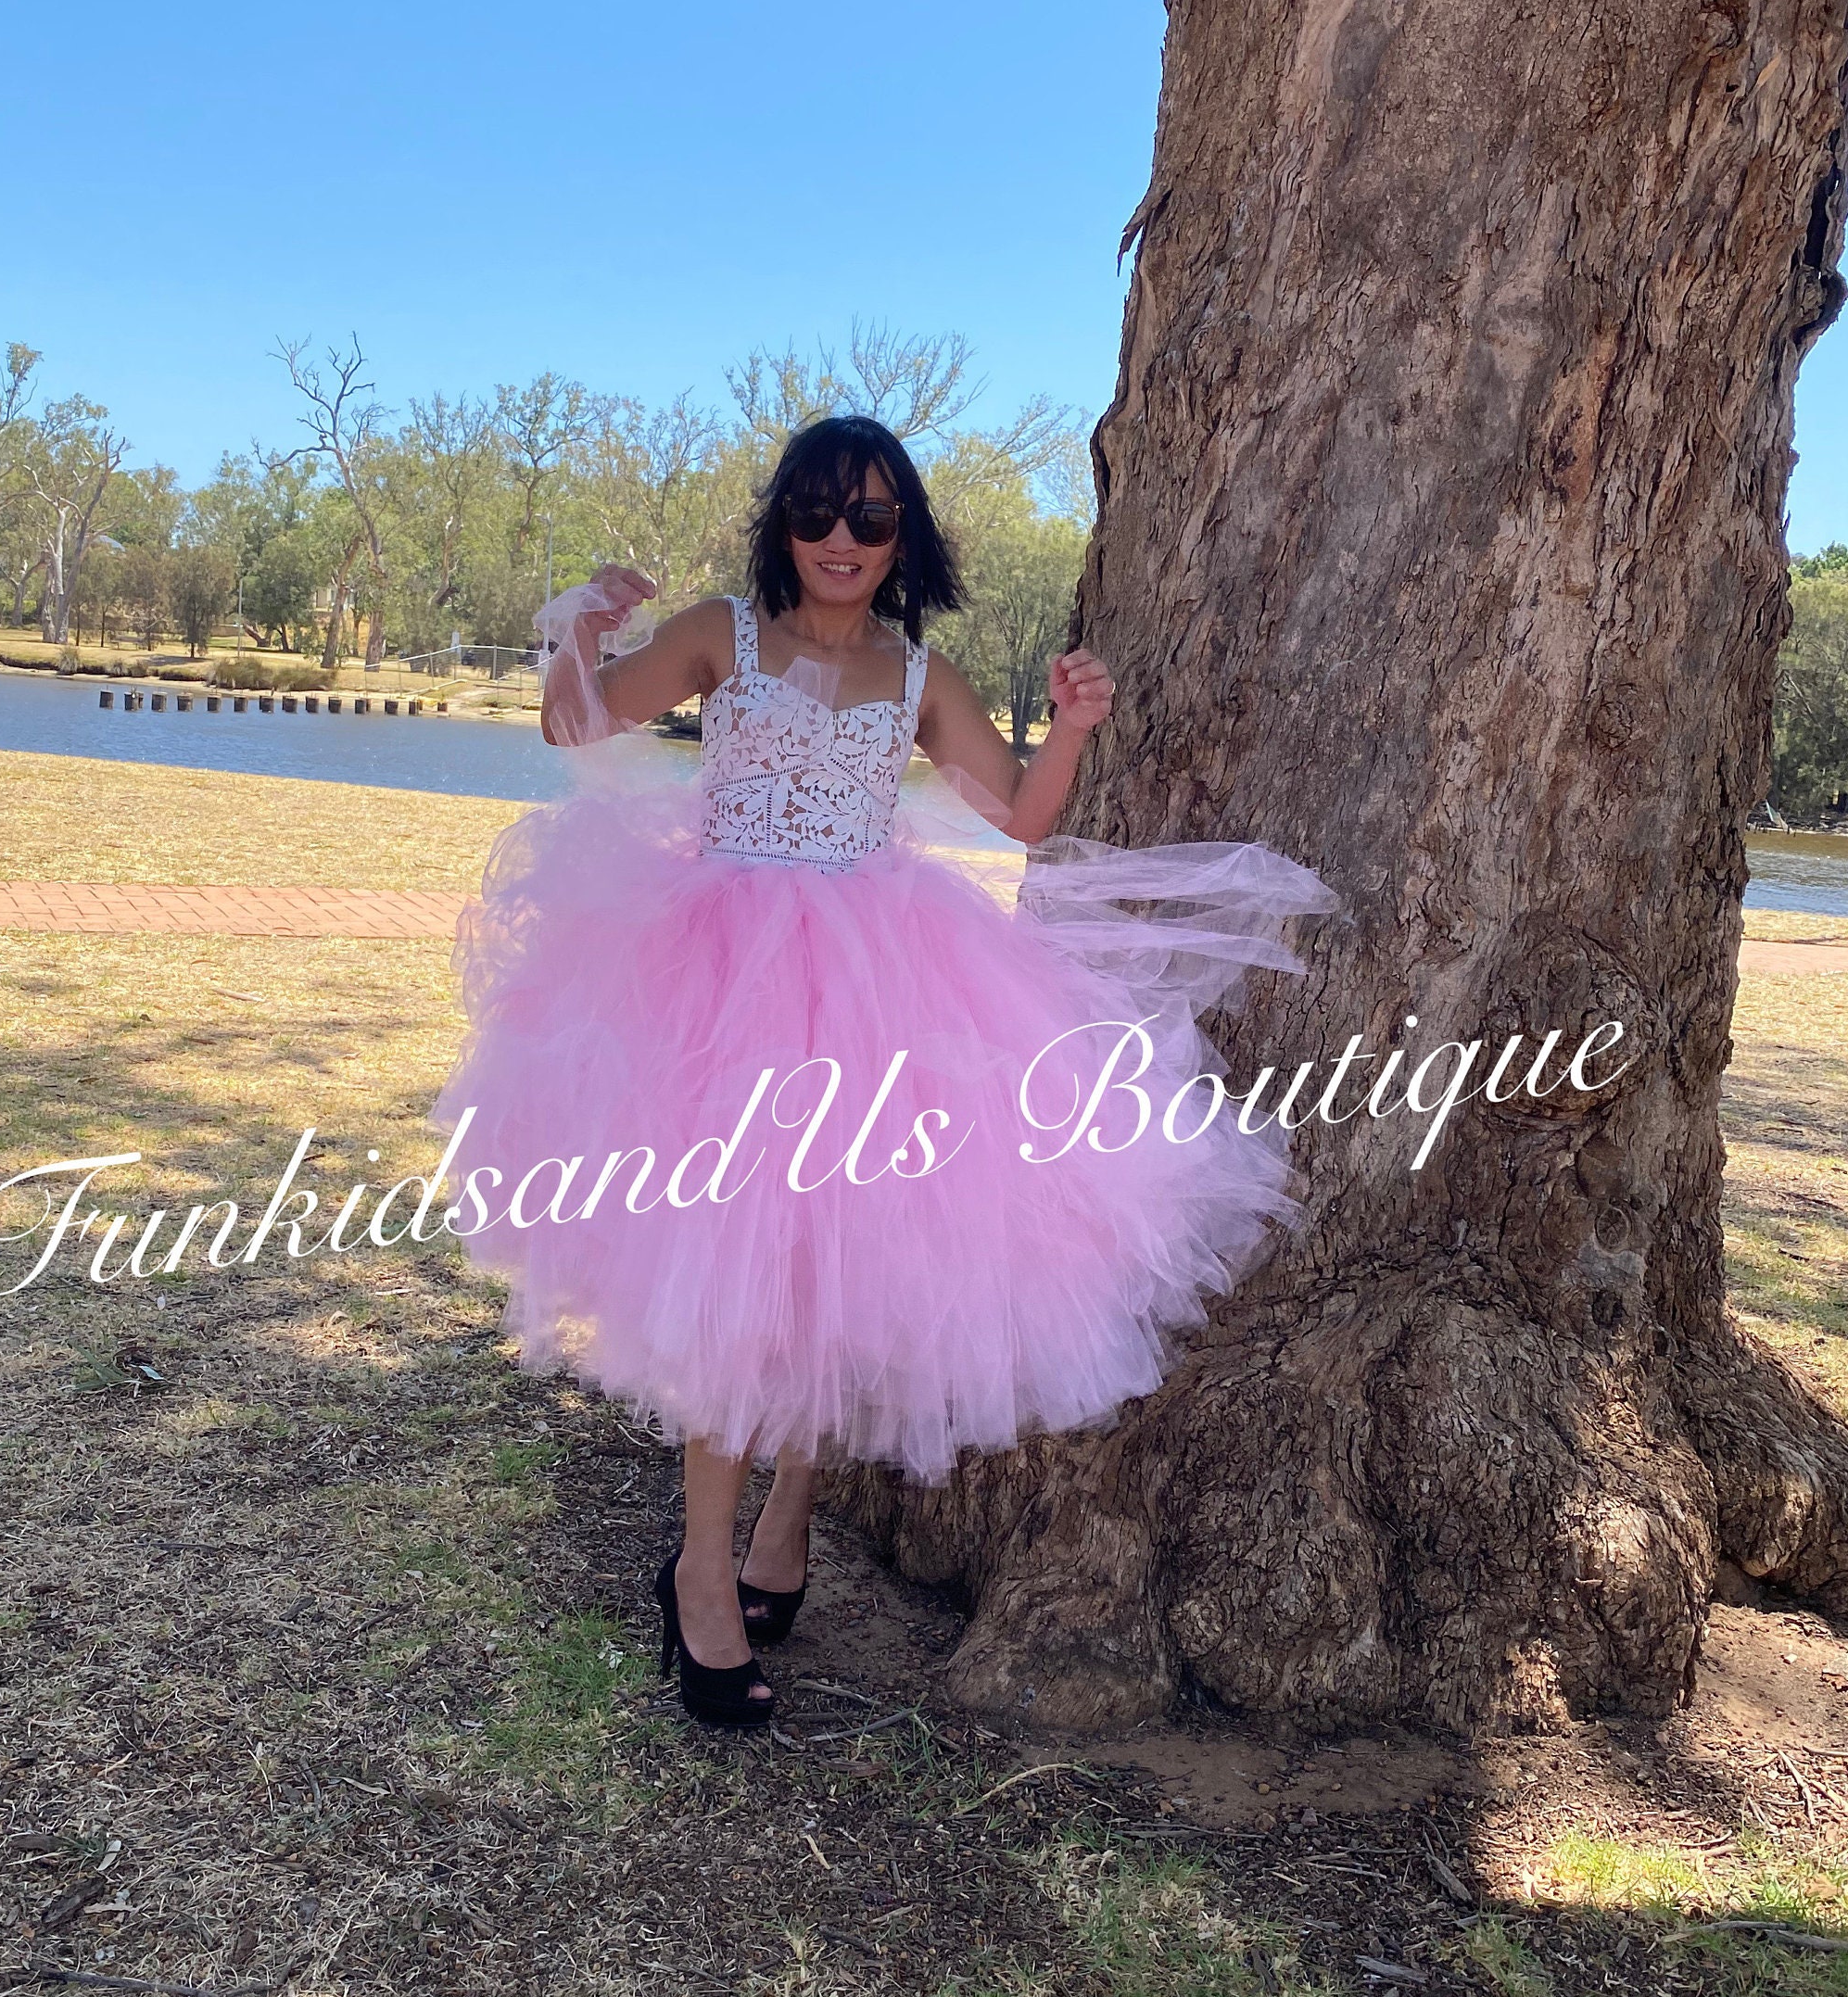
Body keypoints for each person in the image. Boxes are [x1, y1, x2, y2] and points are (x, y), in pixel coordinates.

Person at [433, 414, 1335, 1728]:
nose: (840, 541)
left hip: (880, 982)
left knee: (836, 1267)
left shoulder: (921, 677)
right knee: (735, 1273)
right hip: (719, 982)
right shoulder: (718, 637)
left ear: (900, 533)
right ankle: (697, 1573)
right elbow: (577, 732)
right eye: (815, 513)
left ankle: (786, 1523)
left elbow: (1022, 814)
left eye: (868, 518)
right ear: (781, 526)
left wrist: (1072, 725)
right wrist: (573, 627)